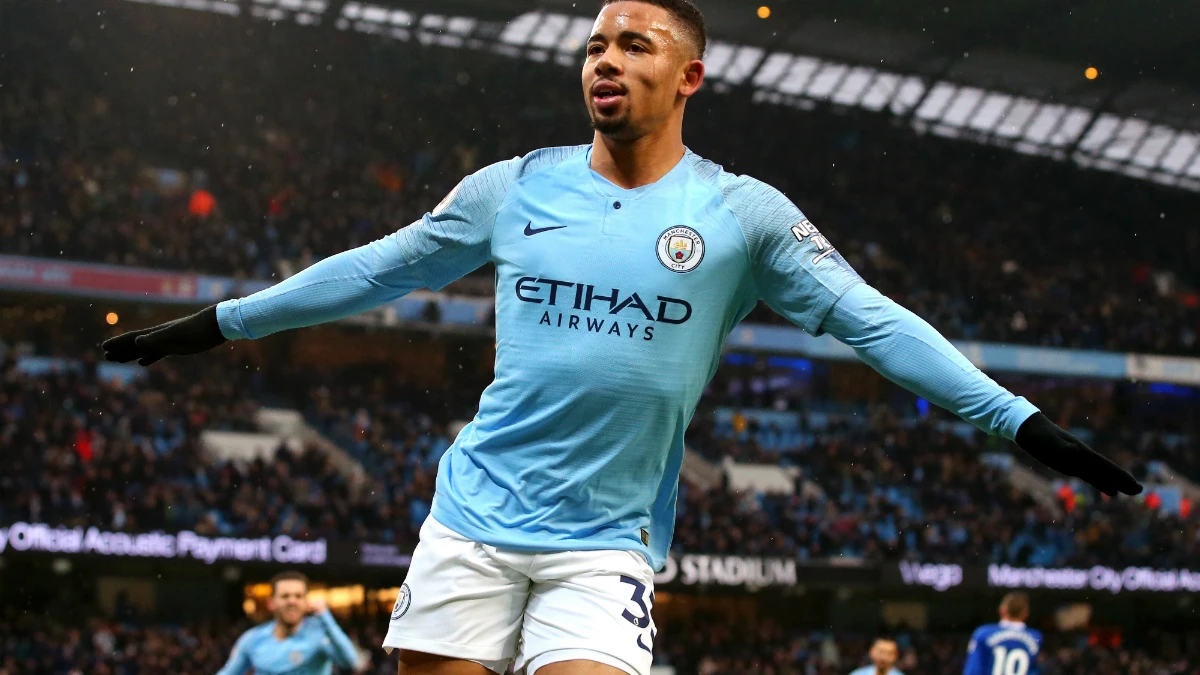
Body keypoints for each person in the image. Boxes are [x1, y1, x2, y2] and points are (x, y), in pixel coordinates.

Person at [102, 1, 1141, 673]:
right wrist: (211, 326)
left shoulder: (745, 215)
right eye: (594, 45)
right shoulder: (513, 186)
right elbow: (375, 270)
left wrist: (1020, 423)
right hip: (469, 520)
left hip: (605, 543)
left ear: (688, 76)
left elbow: (872, 320)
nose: (604, 60)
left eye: (633, 44)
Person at [215, 571, 360, 675]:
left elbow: (350, 661)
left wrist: (325, 616)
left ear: (305, 601)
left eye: (298, 596)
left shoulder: (320, 634)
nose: (292, 601)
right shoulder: (252, 639)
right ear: (271, 603)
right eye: (285, 596)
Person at [963, 593, 1043, 675]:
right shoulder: (1035, 637)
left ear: (1002, 609)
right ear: (1026, 613)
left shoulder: (983, 633)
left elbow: (973, 668)